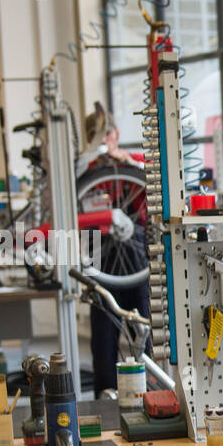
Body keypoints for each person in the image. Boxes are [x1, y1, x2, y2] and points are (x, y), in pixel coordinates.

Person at [83, 102, 151, 397]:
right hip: (100, 253)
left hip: (135, 255)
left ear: (116, 134)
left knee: (141, 326)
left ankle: (149, 390)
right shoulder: (87, 171)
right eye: (96, 136)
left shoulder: (133, 162)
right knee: (103, 332)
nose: (103, 141)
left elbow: (152, 192)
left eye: (107, 134)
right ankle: (105, 394)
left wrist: (127, 164)